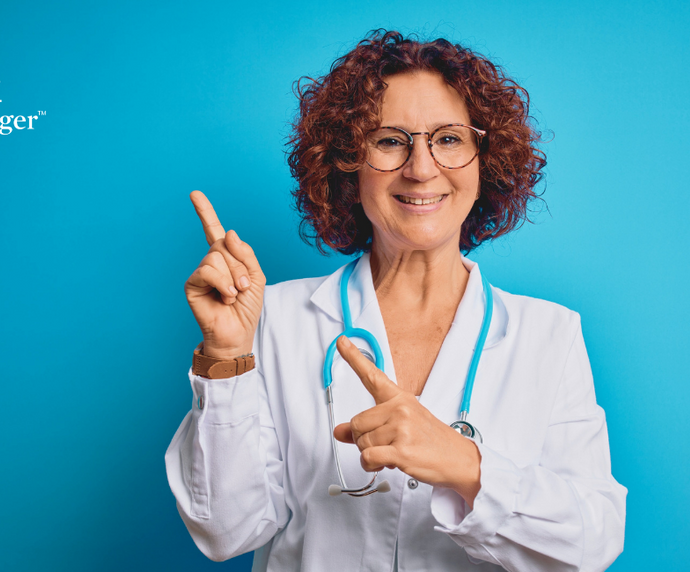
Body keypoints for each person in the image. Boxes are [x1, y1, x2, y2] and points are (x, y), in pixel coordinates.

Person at [165, 30, 626, 571]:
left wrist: (465, 465)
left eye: (449, 138)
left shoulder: (549, 335)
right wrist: (225, 357)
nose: (421, 168)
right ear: (347, 163)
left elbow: (593, 545)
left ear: (486, 160)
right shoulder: (273, 320)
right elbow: (226, 532)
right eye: (389, 140)